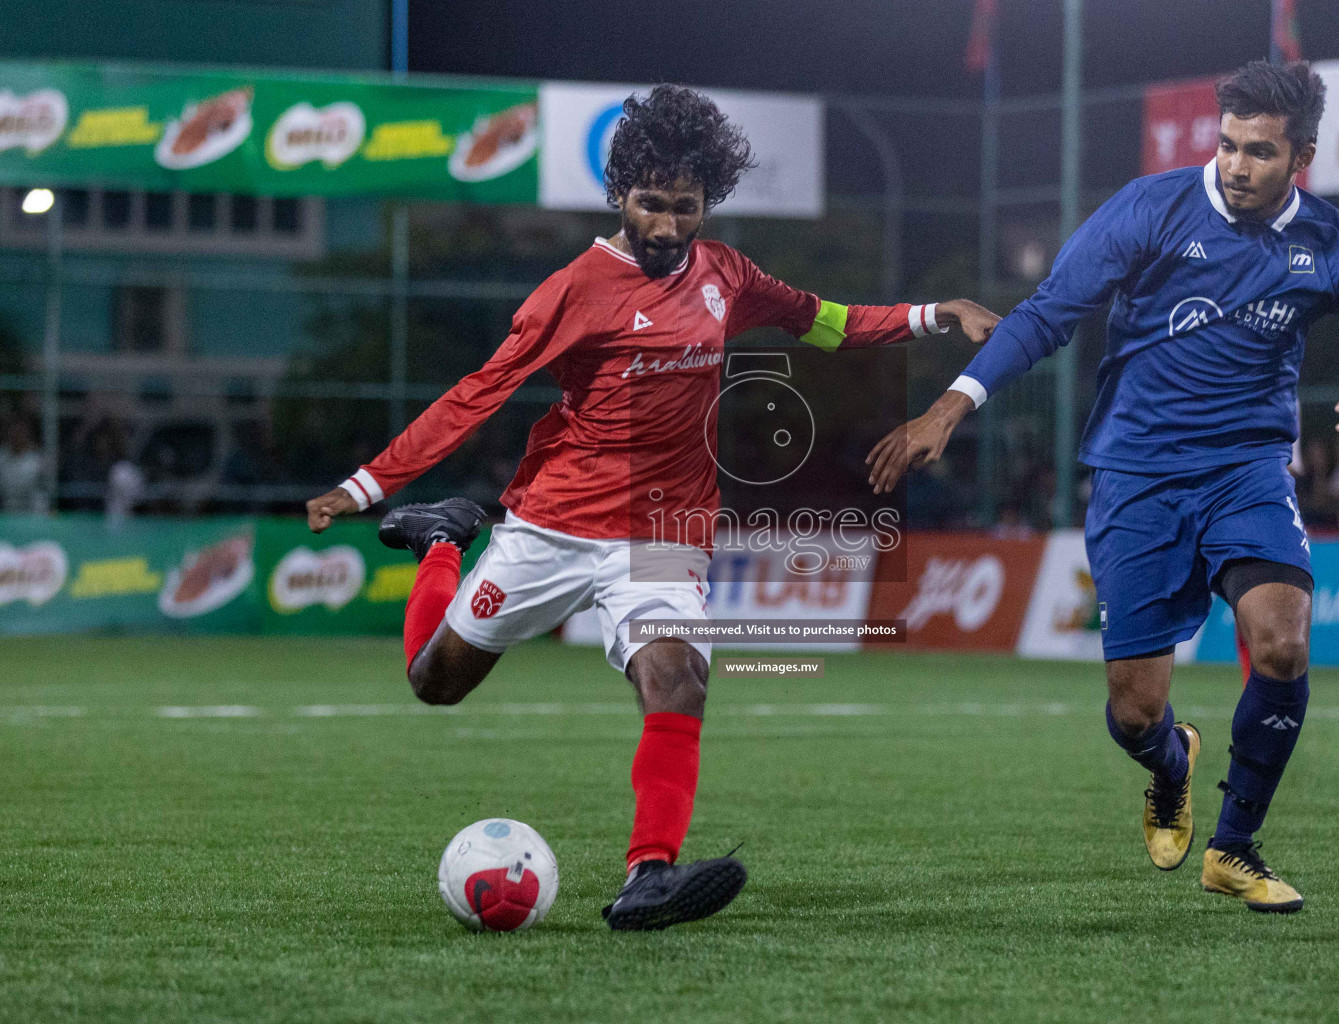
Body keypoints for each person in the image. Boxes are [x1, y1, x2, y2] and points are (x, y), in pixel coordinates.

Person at [304, 85, 1000, 931]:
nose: (668, 227)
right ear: (619, 196)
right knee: (435, 684)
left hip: (665, 535)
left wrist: (938, 316)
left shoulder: (726, 274)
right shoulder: (575, 289)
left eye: (686, 207)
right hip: (554, 525)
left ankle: (648, 877)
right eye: (650, 205)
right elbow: (478, 394)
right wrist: (369, 484)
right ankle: (442, 543)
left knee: (679, 678)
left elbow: (826, 323)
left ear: (705, 203)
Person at [866, 60, 1339, 912]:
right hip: (1136, 475)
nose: (1238, 166)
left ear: (1302, 158)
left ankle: (1235, 848)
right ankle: (1171, 766)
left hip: (1248, 470)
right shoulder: (1152, 208)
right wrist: (951, 408)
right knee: (1135, 713)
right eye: (1229, 145)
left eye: (1259, 152)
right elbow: (1047, 314)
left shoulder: (1327, 242)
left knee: (1282, 642)